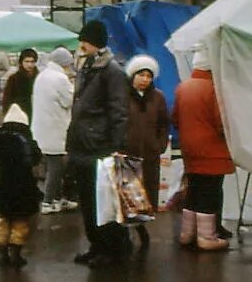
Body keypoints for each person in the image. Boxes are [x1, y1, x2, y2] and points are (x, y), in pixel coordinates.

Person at [67, 20, 129, 267]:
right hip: (83, 143)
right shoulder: (85, 67)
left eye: (86, 41)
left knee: (103, 202)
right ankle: (96, 244)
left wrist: (117, 145)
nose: (81, 45)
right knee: (87, 200)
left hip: (100, 146)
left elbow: (119, 110)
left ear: (98, 43)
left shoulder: (111, 71)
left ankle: (112, 248)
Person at [171, 50, 233, 252]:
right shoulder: (214, 88)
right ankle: (207, 237)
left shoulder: (183, 87)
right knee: (211, 190)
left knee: (195, 189)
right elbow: (221, 122)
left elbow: (175, 119)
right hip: (212, 149)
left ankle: (187, 234)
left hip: (189, 148)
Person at [123, 55, 170, 252]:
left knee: (146, 193)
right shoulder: (122, 95)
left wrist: (159, 145)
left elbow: (163, 123)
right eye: (141, 75)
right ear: (133, 75)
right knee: (127, 194)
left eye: (148, 76)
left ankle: (141, 227)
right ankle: (126, 230)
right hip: (127, 153)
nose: (145, 79)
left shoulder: (157, 97)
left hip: (150, 154)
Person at [0, 104, 42, 268]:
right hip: (24, 188)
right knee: (20, 222)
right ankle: (16, 255)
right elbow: (36, 158)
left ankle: (2, 254)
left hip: (4, 187)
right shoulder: (27, 141)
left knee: (4, 220)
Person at [32, 47, 75, 215]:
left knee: (52, 164)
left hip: (42, 128)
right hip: (56, 127)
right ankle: (48, 201)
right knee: (56, 167)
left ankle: (57, 199)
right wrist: (72, 86)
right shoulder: (61, 79)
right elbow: (67, 102)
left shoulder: (41, 76)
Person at [1, 48, 39, 124]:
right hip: (18, 116)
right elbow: (7, 99)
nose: (30, 64)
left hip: (37, 115)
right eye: (27, 61)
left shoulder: (39, 78)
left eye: (32, 62)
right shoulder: (14, 79)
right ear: (21, 62)